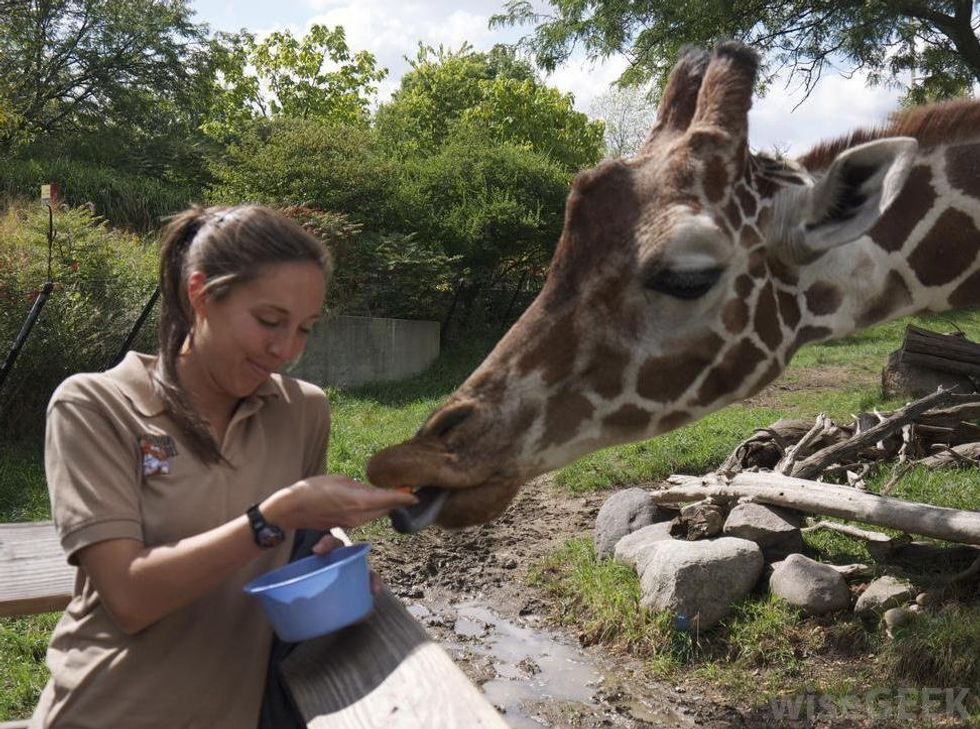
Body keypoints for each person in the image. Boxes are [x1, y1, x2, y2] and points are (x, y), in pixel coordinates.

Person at [31, 204, 417, 729]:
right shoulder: (94, 405)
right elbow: (129, 598)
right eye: (269, 321)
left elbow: (291, 558)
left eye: (304, 329)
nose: (285, 349)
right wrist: (273, 518)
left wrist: (325, 567)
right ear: (201, 295)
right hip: (104, 711)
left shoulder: (303, 411)